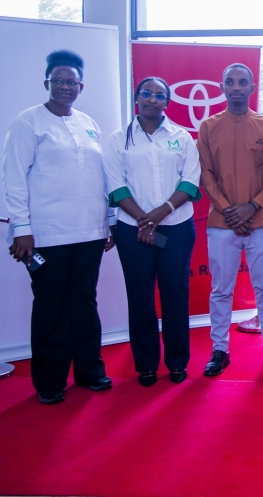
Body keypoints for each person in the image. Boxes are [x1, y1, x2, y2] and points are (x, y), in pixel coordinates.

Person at [3, 50, 115, 404]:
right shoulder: (28, 123)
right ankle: (50, 382)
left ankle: (89, 372)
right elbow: (14, 179)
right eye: (58, 81)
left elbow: (101, 177)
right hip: (46, 234)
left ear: (81, 86)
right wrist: (22, 228)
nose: (65, 87)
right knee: (51, 306)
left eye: (72, 82)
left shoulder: (88, 123)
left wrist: (108, 221)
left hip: (89, 232)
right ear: (47, 83)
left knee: (84, 302)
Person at [104, 77, 201, 387]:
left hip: (176, 230)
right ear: (137, 98)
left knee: (175, 295)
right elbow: (116, 186)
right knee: (140, 298)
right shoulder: (118, 139)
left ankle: (176, 361)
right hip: (132, 232)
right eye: (146, 93)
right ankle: (146, 363)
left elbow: (190, 181)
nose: (152, 99)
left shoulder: (182, 137)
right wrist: (144, 221)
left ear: (167, 103)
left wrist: (159, 215)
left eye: (160, 95)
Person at [197, 63, 263, 377]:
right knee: (221, 289)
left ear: (251, 88)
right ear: (222, 86)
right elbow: (205, 174)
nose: (236, 87)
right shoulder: (208, 127)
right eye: (230, 82)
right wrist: (228, 209)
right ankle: (219, 349)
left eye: (242, 82)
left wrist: (253, 206)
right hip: (222, 222)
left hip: (261, 220)